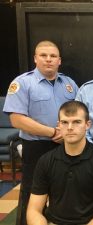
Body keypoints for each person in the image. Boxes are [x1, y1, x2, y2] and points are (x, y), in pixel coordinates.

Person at [3, 40, 78, 225]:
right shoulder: (22, 83)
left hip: (65, 147)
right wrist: (52, 132)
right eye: (43, 56)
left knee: (63, 193)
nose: (48, 60)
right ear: (35, 58)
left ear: (59, 60)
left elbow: (79, 112)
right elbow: (16, 119)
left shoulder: (69, 84)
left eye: (53, 56)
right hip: (37, 148)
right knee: (32, 195)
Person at [27, 101, 93, 225]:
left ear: (87, 124)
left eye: (77, 122)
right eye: (64, 122)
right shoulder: (45, 161)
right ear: (58, 125)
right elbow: (33, 210)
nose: (69, 127)